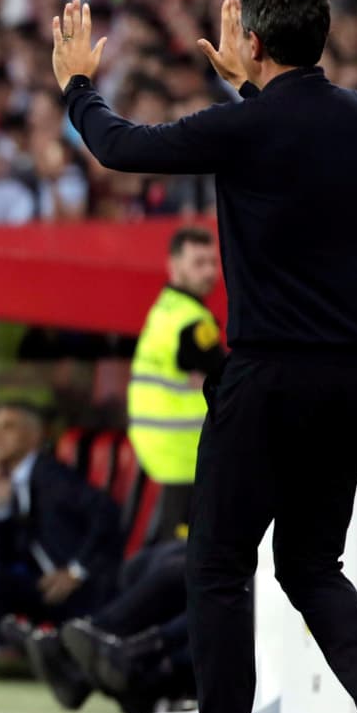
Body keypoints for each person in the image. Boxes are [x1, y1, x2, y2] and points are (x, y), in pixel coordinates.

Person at [52, 0, 357, 713]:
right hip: (351, 375)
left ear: (251, 43)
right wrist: (248, 86)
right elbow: (287, 139)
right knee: (311, 564)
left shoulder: (246, 127)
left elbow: (120, 146)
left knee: (218, 565)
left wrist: (76, 86)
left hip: (269, 374)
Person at [0, 402, 119, 659]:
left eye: (8, 427)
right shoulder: (8, 482)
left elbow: (107, 513)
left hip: (81, 590)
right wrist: (0, 511)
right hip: (44, 586)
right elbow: (3, 560)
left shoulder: (51, 474)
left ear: (34, 435)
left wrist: (76, 571)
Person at [127, 227, 223, 545]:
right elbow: (229, 379)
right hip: (184, 454)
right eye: (198, 263)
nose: (209, 271)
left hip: (161, 451)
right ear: (174, 266)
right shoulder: (192, 322)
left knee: (171, 552)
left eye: (213, 262)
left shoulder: (165, 308)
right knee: (184, 555)